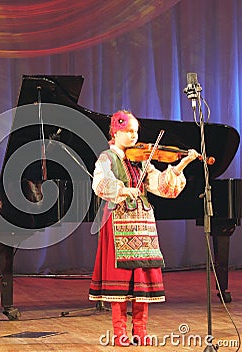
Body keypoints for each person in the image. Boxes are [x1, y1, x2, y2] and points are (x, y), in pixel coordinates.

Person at [89, 110, 199, 346]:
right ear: (116, 132)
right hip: (119, 224)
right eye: (129, 131)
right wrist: (122, 189)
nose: (134, 136)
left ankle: (140, 330)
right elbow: (100, 182)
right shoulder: (107, 158)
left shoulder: (141, 161)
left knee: (143, 279)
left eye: (136, 132)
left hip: (143, 225)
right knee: (119, 280)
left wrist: (182, 164)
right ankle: (119, 334)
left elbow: (161, 185)